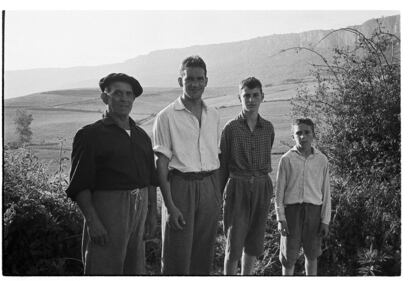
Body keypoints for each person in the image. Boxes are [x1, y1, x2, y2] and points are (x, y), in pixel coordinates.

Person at [66, 73, 158, 275]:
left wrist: (152, 214)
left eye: (129, 94)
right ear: (105, 98)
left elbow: (151, 179)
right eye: (117, 93)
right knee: (104, 268)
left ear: (134, 99)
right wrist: (93, 221)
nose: (124, 98)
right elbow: (80, 184)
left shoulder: (142, 136)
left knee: (134, 268)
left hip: (139, 209)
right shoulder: (90, 135)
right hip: (108, 211)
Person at [152, 55, 221, 275]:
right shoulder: (166, 116)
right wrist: (170, 206)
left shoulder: (214, 115)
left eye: (199, 79)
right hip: (180, 187)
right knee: (176, 252)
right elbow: (160, 165)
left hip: (209, 186)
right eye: (189, 78)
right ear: (180, 81)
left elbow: (214, 156)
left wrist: (216, 194)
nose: (195, 84)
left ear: (206, 81)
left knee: (204, 252)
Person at [219, 77, 275, 275]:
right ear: (239, 98)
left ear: (262, 97)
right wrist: (220, 197)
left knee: (254, 242)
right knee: (234, 244)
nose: (251, 100)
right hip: (238, 185)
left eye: (255, 95)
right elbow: (223, 165)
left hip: (261, 186)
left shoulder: (268, 127)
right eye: (246, 96)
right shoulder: (230, 128)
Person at [274, 118, 331, 276]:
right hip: (291, 213)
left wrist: (325, 220)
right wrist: (281, 218)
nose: (303, 136)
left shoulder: (322, 160)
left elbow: (326, 191)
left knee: (312, 256)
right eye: (298, 133)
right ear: (293, 136)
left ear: (313, 135)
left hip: (314, 213)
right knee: (288, 258)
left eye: (307, 132)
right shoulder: (286, 159)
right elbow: (279, 193)